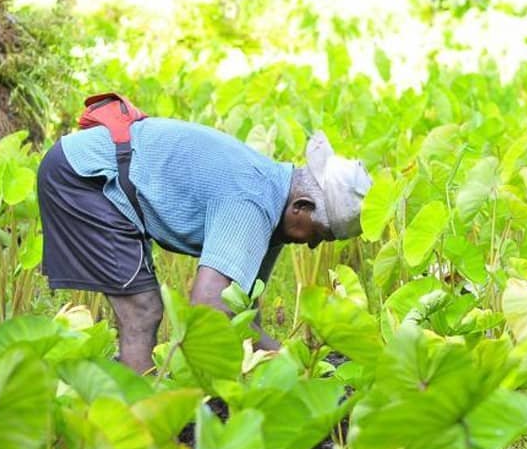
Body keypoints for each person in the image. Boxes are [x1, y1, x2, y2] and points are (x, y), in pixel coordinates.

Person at [36, 100, 372, 374]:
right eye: (321, 235)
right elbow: (209, 307)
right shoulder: (253, 201)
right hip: (85, 176)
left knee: (143, 311)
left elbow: (240, 314)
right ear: (301, 206)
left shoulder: (274, 203)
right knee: (143, 310)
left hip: (96, 168)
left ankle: (129, 395)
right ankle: (142, 428)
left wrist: (296, 365)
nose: (313, 245)